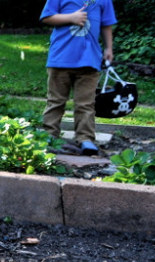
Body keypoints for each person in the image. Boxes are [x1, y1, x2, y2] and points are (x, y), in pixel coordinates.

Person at [39, 0, 116, 156]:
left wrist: (109, 48)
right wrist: (71, 18)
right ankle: (49, 135)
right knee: (56, 101)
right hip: (61, 59)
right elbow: (47, 17)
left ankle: (85, 138)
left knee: (86, 103)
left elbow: (106, 24)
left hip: (90, 60)